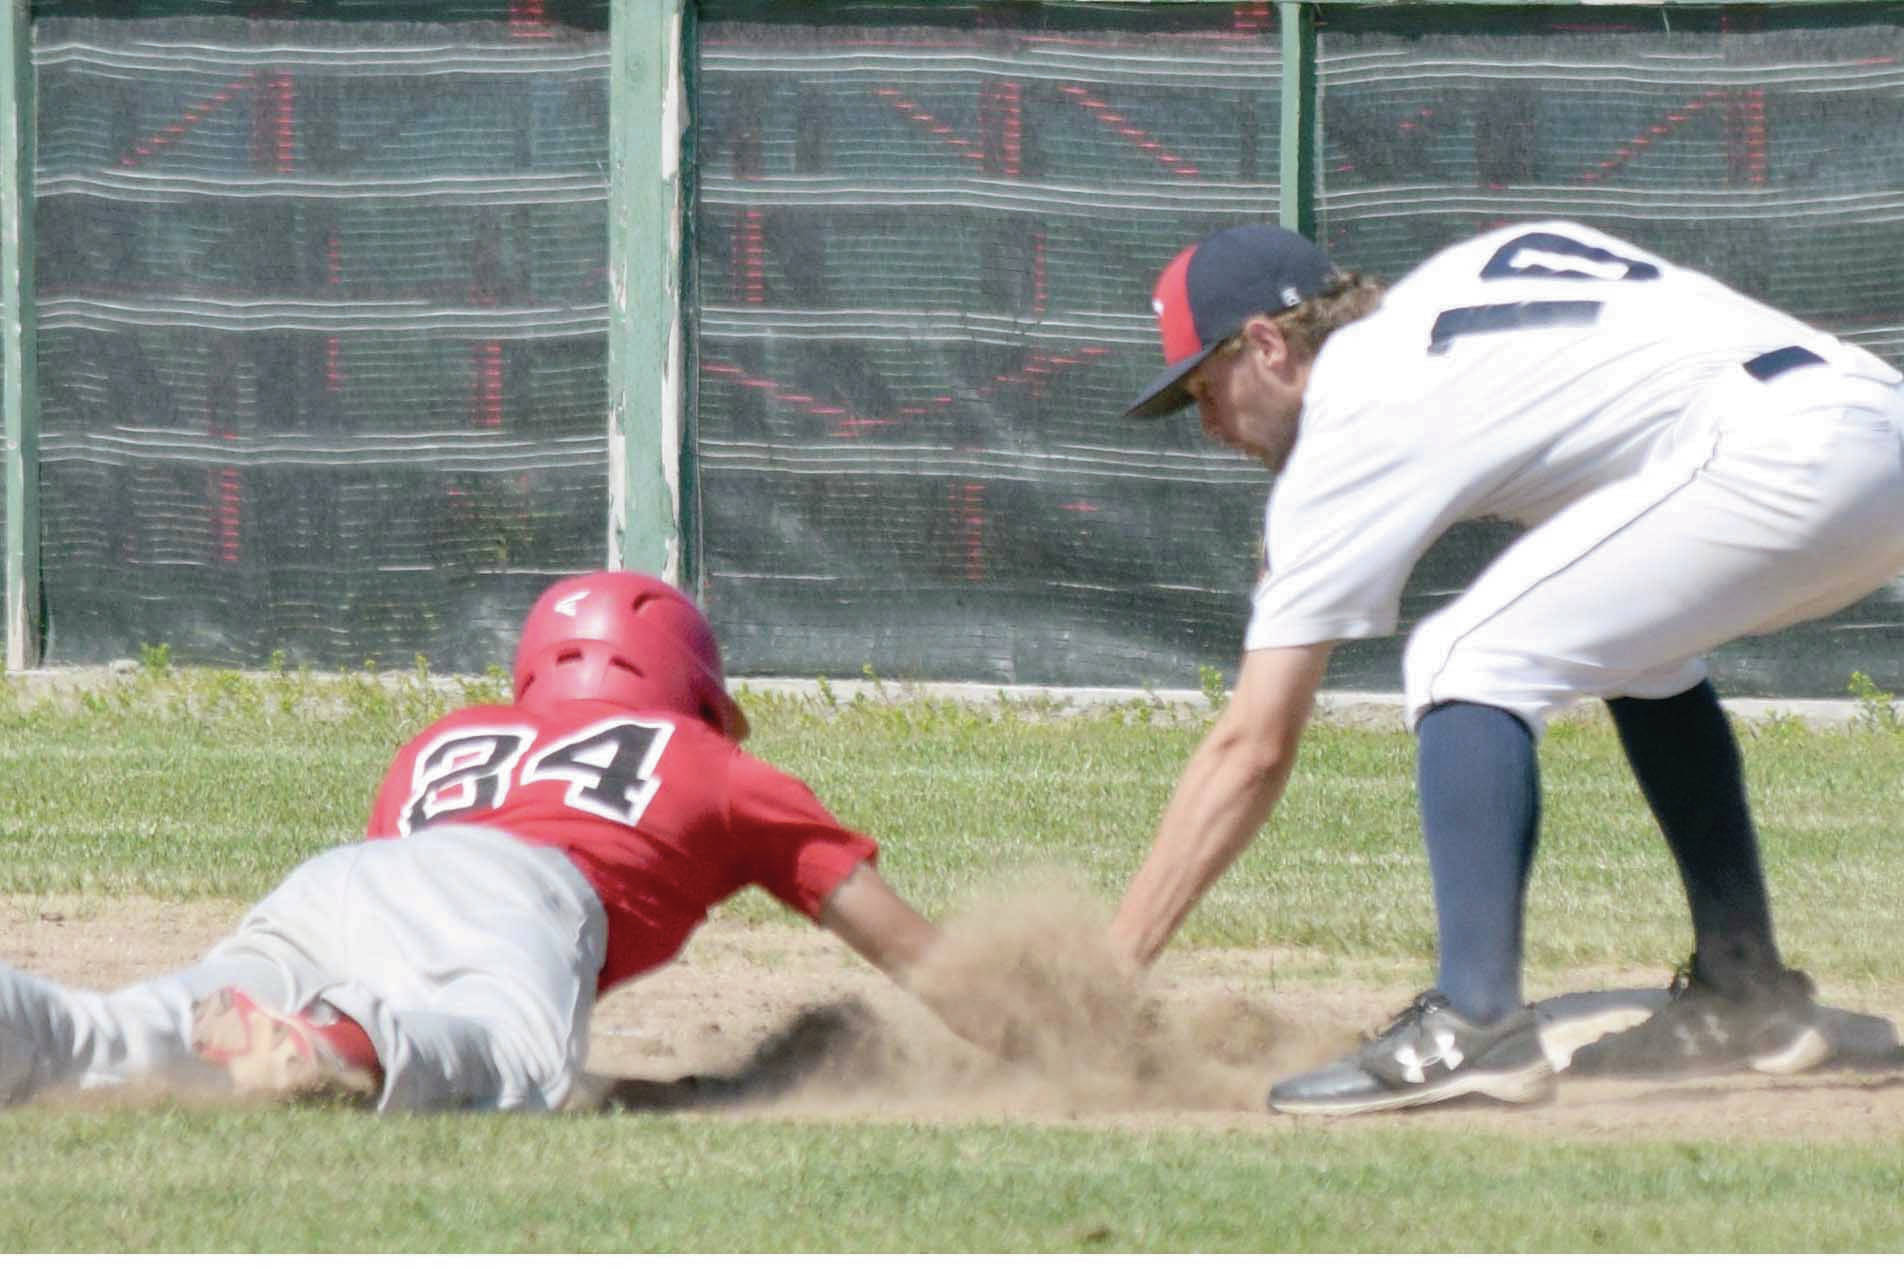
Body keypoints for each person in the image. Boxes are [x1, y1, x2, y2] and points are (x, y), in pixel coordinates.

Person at [1106, 219, 1904, 1115]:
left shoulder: (1356, 409)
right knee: (1640, 657)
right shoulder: (1458, 312)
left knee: (1465, 657)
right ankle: (1745, 992)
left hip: (1783, 449)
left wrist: (1103, 974)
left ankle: (1473, 1024)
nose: (1208, 424)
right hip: (1867, 420)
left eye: (1204, 389)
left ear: (1266, 346)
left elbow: (1252, 744)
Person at [1, 571, 972, 1112]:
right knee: (509, 1055)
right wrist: (1055, 1037)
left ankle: (31, 1022)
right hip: (518, 896)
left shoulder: (446, 738)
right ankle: (341, 1043)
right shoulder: (706, 761)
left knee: (144, 1025)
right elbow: (917, 955)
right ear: (691, 689)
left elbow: (398, 912)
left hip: (341, 881)